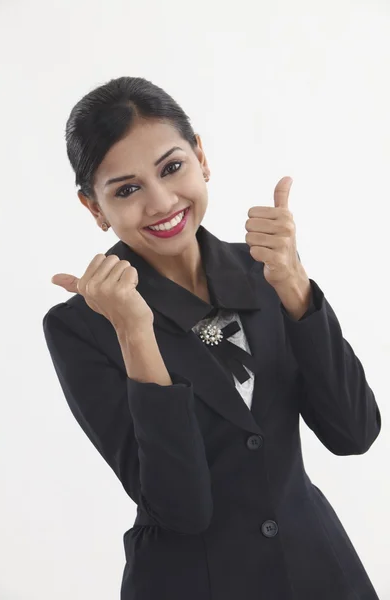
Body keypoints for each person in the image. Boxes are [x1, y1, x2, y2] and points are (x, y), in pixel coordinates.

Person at [43, 76, 381, 600]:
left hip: (316, 571)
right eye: (127, 189)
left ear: (201, 156)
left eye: (172, 167)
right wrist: (136, 333)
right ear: (93, 208)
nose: (160, 202)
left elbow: (354, 433)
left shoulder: (268, 271)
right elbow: (181, 508)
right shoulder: (81, 326)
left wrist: (296, 288)